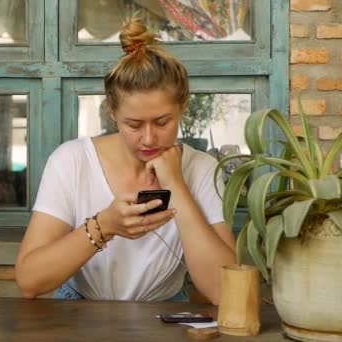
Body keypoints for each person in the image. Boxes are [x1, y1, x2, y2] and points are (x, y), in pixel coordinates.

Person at [14, 18, 236, 304]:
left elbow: (225, 291)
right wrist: (105, 225)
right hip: (78, 308)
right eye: (133, 124)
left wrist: (177, 186)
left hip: (164, 308)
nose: (148, 138)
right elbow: (30, 281)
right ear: (112, 112)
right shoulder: (72, 161)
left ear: (182, 106)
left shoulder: (202, 168)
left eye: (162, 122)